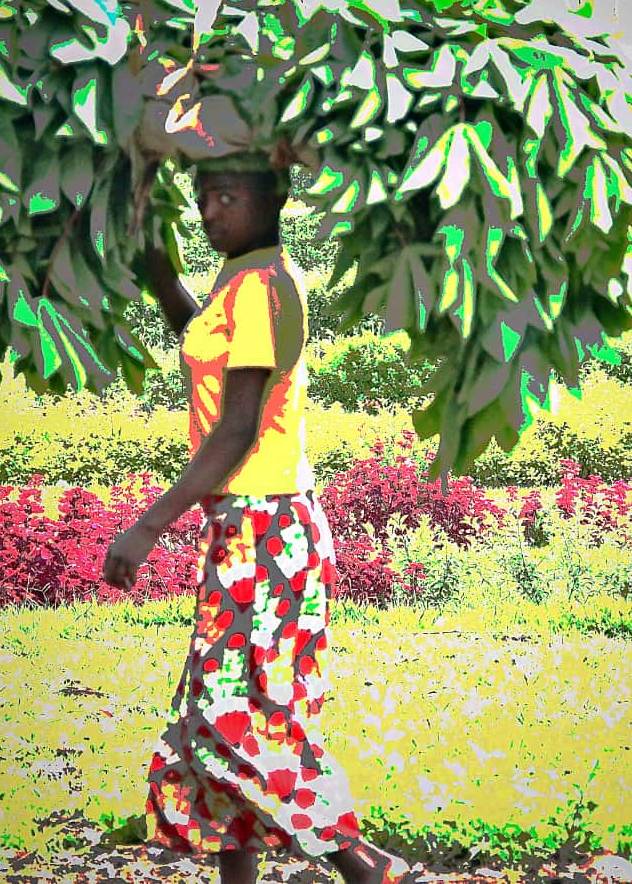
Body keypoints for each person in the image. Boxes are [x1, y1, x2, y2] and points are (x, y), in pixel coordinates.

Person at [107, 151, 424, 884]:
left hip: (266, 530)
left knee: (229, 719)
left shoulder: (262, 287)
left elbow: (239, 426)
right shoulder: (243, 279)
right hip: (253, 529)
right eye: (202, 199)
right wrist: (145, 204)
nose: (211, 212)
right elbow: (190, 326)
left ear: (273, 195)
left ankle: (365, 866)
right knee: (219, 718)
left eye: (224, 196)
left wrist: (148, 525)